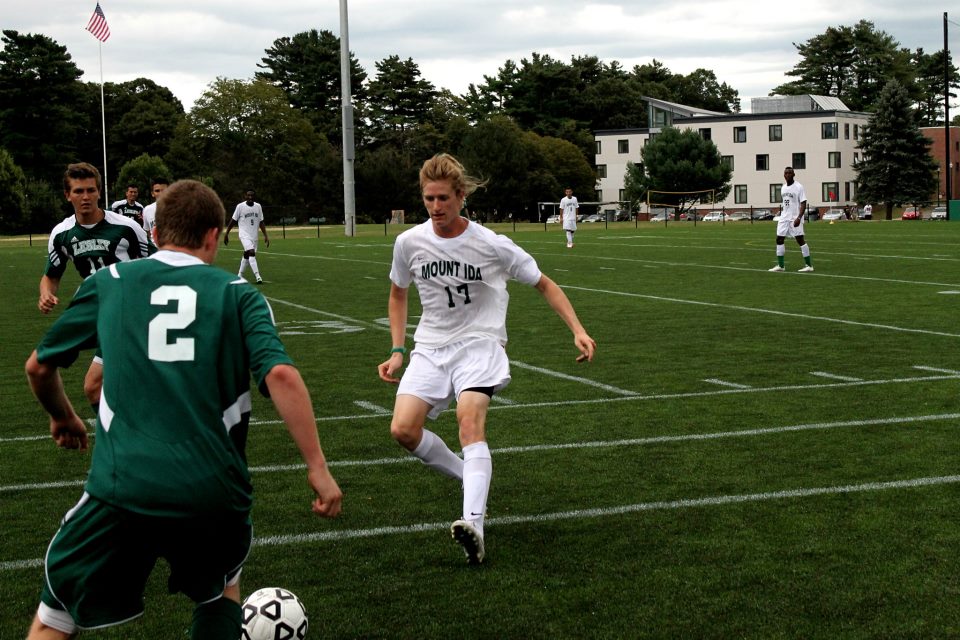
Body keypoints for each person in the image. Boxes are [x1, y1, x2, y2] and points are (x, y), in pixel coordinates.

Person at [23, 179, 343, 640]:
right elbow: (283, 377)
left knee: (58, 614)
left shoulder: (110, 282)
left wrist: (63, 416)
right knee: (220, 589)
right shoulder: (240, 293)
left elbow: (38, 367)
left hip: (123, 485)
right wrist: (317, 466)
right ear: (215, 234)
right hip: (213, 489)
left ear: (154, 235)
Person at [377, 154, 596, 564]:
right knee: (404, 431)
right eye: (429, 199)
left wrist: (578, 330)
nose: (436, 207)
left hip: (480, 345)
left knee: (469, 420)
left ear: (461, 197)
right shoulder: (408, 243)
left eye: (443, 198)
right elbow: (397, 293)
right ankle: (470, 478)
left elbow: (545, 284)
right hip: (430, 347)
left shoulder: (492, 244)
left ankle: (473, 523)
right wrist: (396, 350)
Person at [40, 162, 154, 412]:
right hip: (98, 310)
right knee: (106, 385)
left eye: (91, 190)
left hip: (130, 310)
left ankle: (123, 440)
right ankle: (133, 435)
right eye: (79, 191)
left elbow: (157, 263)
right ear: (67, 195)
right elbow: (51, 275)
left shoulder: (127, 227)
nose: (86, 197)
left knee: (94, 385)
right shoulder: (61, 233)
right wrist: (46, 293)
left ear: (100, 192)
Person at [769, 167, 814, 272]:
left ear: (794, 174)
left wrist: (799, 217)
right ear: (784, 175)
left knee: (800, 240)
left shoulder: (799, 187)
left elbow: (803, 202)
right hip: (784, 218)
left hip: (795, 218)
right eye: (786, 173)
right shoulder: (783, 188)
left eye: (790, 173)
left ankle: (809, 266)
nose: (788, 175)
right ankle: (781, 266)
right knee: (779, 239)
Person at [224, 189, 269, 284]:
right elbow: (233, 221)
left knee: (247, 255)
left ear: (254, 197)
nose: (250, 197)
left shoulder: (258, 206)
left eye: (252, 196)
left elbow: (261, 222)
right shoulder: (240, 207)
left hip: (254, 236)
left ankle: (239, 275)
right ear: (245, 196)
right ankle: (258, 276)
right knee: (251, 252)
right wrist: (226, 233)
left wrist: (266, 235)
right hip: (244, 234)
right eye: (248, 196)